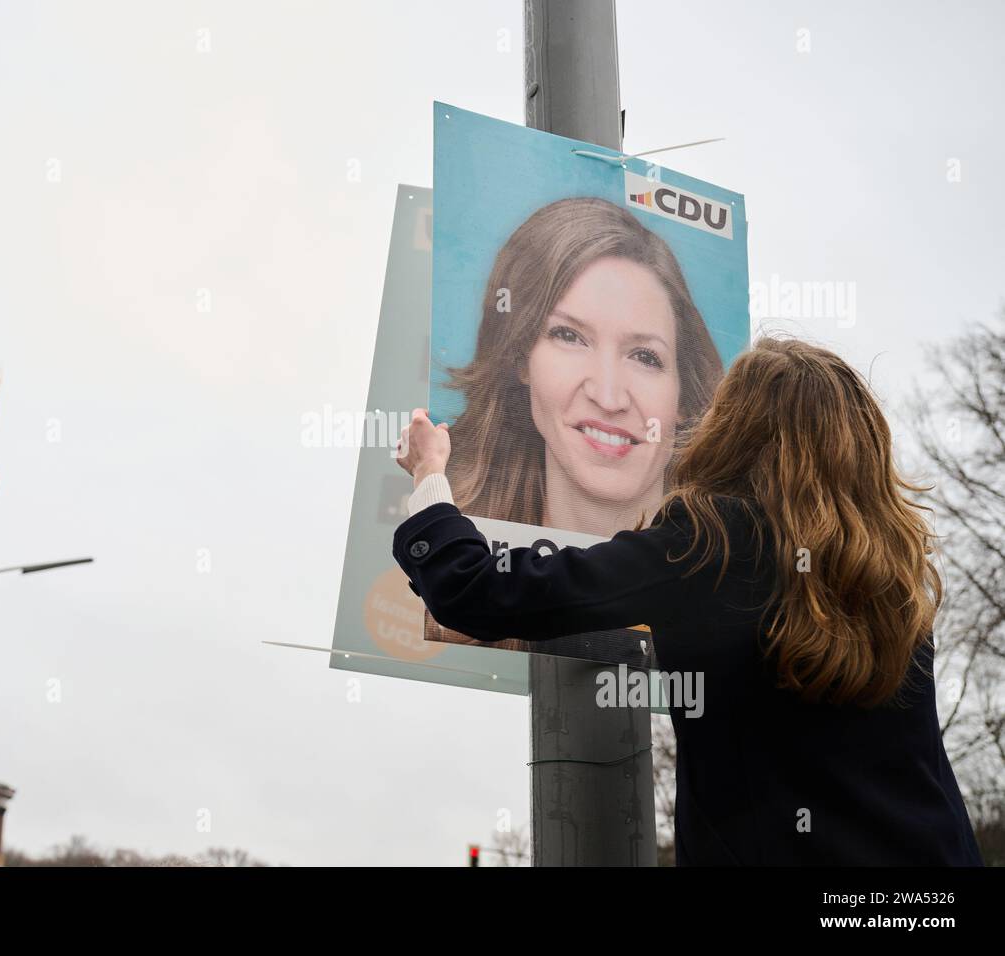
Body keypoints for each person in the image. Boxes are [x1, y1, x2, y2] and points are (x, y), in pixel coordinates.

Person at [393, 336, 984, 866]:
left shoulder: (717, 544)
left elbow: (479, 592)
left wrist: (430, 476)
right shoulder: (893, 576)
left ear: (735, 430)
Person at [426, 197, 723, 651]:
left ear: (684, 394)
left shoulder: (734, 585)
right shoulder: (464, 594)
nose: (607, 396)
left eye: (645, 357)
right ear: (521, 358)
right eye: (569, 336)